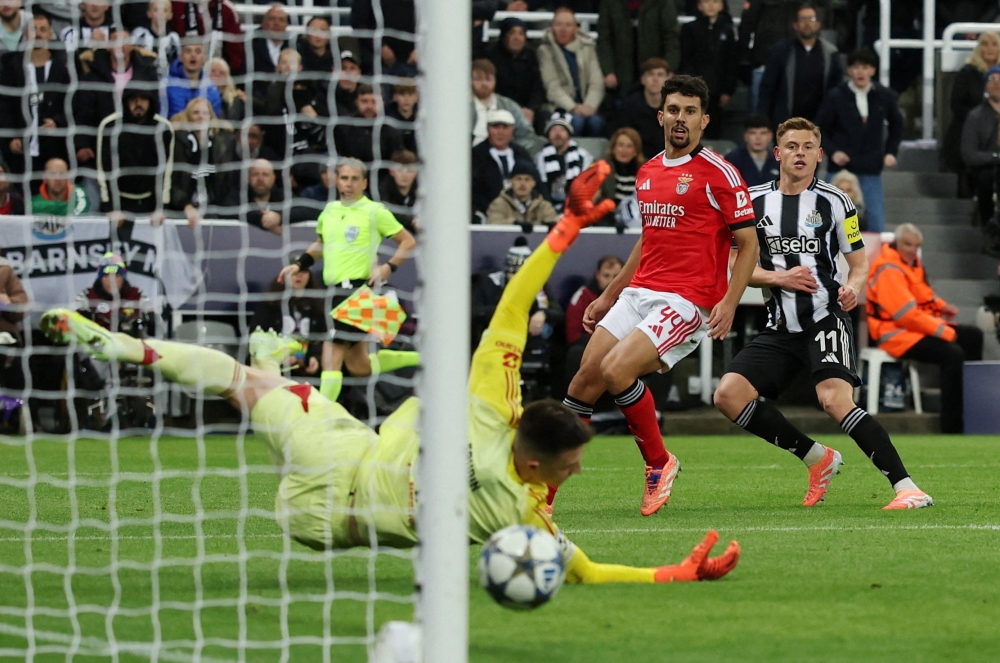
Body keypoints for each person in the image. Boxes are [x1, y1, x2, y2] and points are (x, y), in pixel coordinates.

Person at [39, 164, 741, 584]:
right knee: (307, 371)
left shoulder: (492, 402)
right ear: (535, 465)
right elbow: (585, 571)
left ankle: (150, 349)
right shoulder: (518, 513)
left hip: (334, 465)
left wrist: (565, 229)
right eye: (570, 464)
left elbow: (513, 302)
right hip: (327, 511)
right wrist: (672, 573)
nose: (578, 470)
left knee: (243, 380)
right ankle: (250, 363)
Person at [712, 116, 933, 511]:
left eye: (808, 147)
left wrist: (853, 288)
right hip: (780, 325)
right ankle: (817, 458)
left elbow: (859, 265)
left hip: (824, 316)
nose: (800, 153)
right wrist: (779, 278)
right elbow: (734, 265)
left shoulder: (836, 201)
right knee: (728, 395)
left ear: (819, 155)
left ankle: (907, 488)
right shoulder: (753, 200)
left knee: (833, 399)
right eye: (792, 146)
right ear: (777, 153)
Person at [562, 75, 759, 516]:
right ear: (661, 116)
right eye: (673, 110)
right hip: (639, 292)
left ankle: (659, 462)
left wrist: (729, 301)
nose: (681, 118)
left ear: (704, 120)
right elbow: (648, 239)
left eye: (690, 111)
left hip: (686, 301)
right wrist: (610, 294)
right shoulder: (648, 171)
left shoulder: (720, 173)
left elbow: (749, 244)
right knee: (583, 383)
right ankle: (545, 496)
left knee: (616, 370)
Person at [277, 158, 418, 404]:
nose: (349, 184)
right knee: (358, 366)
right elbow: (321, 244)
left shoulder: (374, 211)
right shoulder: (330, 211)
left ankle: (321, 414)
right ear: (337, 181)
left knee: (331, 354)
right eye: (344, 178)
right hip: (334, 291)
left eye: (354, 179)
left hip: (356, 290)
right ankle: (422, 357)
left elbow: (408, 241)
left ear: (364, 182)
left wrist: (388, 267)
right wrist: (299, 264)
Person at [866, 223, 984, 434]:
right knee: (952, 354)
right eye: (908, 244)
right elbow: (906, 315)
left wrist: (942, 307)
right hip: (894, 335)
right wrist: (943, 331)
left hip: (914, 329)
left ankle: (974, 411)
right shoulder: (888, 269)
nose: (913, 250)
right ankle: (952, 425)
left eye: (917, 246)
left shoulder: (911, 264)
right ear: (896, 243)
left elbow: (924, 294)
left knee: (974, 336)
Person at [815, 49, 902, 233]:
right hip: (840, 169)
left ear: (873, 70)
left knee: (876, 223)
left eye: (865, 67)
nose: (860, 72)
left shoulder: (884, 95)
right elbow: (818, 129)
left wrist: (891, 152)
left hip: (870, 168)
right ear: (849, 70)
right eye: (855, 67)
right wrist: (833, 152)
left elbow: (897, 125)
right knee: (826, 222)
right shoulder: (835, 96)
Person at [73, 27, 159, 177]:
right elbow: (84, 112)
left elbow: (153, 108)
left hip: (139, 144)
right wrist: (82, 144)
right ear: (108, 46)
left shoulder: (147, 73)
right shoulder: (92, 76)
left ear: (132, 46)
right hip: (102, 145)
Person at [0, 11, 71, 184]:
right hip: (19, 150)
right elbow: (5, 105)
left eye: (43, 29)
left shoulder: (62, 70)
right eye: (33, 29)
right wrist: (11, 137)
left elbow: (71, 104)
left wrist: (57, 122)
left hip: (52, 149)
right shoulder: (12, 67)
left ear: (50, 34)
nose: (38, 33)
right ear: (26, 34)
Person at [96, 82, 175, 236]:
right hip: (117, 204)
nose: (138, 104)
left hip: (151, 205)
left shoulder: (163, 128)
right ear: (126, 101)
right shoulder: (110, 125)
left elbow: (166, 171)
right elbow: (103, 168)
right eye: (133, 99)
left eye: (143, 99)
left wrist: (161, 208)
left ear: (151, 101)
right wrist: (109, 207)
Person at [757, 3, 844, 127]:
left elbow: (837, 90)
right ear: (795, 25)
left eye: (811, 19)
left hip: (819, 124)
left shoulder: (830, 53)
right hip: (786, 123)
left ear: (818, 24)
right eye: (802, 19)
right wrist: (764, 120)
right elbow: (767, 88)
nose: (807, 23)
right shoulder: (781, 51)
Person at [249, 264, 327, 380]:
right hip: (274, 368)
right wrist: (278, 357)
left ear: (309, 276)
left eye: (303, 272)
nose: (299, 276)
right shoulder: (270, 304)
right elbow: (257, 337)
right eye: (293, 272)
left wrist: (315, 358)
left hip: (305, 370)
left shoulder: (318, 306)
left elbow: (322, 338)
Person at [537, 7, 606, 137]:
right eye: (558, 24)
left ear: (575, 28)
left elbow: (596, 82)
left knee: (596, 123)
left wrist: (589, 106)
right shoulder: (545, 50)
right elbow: (552, 86)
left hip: (587, 106)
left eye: (568, 25)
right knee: (577, 122)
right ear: (552, 27)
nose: (563, 29)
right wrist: (573, 107)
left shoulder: (588, 48)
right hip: (559, 107)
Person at [169, 97, 237, 224]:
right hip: (183, 209)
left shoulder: (221, 145)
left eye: (205, 113)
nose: (200, 117)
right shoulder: (178, 143)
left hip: (214, 207)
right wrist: (186, 206)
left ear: (210, 117)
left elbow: (226, 183)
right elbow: (174, 182)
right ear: (188, 117)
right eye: (195, 113)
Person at [943, 31, 999, 183]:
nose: (990, 49)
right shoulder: (967, 72)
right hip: (971, 127)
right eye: (985, 44)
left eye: (994, 44)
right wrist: (980, 120)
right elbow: (957, 105)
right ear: (979, 48)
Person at [596, 0, 680, 99]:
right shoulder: (609, 3)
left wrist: (669, 69)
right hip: (620, 74)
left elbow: (672, 39)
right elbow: (604, 40)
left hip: (654, 69)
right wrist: (608, 71)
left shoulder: (663, 3)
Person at [678, 0, 737, 140]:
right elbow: (686, 59)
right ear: (699, 5)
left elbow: (731, 61)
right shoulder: (689, 29)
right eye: (706, 1)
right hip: (694, 90)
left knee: (713, 129)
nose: (710, 5)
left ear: (721, 5)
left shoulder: (727, 30)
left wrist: (728, 90)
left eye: (715, 1)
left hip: (717, 91)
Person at [737, 0, 803, 113]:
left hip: (790, 61)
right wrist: (745, 59)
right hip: (764, 61)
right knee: (760, 110)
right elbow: (746, 28)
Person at [961, 64, 1000, 248]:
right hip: (987, 171)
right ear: (985, 86)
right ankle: (989, 231)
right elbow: (969, 155)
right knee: (986, 179)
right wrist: (996, 157)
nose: (996, 83)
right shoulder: (975, 117)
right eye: (992, 79)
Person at [472, 109, 534, 217]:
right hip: (487, 213)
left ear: (512, 130)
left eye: (505, 127)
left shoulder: (522, 154)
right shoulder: (476, 155)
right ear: (488, 129)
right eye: (495, 127)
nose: (500, 132)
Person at [487, 17, 545, 127]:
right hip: (500, 106)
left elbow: (537, 87)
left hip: (527, 108)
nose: (517, 38)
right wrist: (515, 109)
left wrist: (531, 108)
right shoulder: (491, 55)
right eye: (512, 33)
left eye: (521, 34)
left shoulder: (531, 56)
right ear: (504, 35)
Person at [470, 58, 538, 151]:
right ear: (470, 80)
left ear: (495, 81)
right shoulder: (461, 107)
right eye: (478, 79)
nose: (484, 84)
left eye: (488, 79)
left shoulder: (509, 106)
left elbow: (526, 134)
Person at [535, 111, 593, 213]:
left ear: (569, 134)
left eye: (562, 130)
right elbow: (543, 186)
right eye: (553, 130)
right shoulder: (541, 157)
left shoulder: (582, 155)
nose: (557, 134)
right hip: (549, 206)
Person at [614, 58, 671, 158]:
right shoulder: (629, 106)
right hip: (637, 160)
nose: (655, 79)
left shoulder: (676, 108)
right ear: (642, 79)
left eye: (660, 75)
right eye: (650, 74)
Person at [169, 0, 244, 75]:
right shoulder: (177, 6)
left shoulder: (225, 9)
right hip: (181, 75)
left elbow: (235, 55)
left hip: (218, 75)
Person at [595, 127, 644, 226]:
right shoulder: (600, 167)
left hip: (636, 219)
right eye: (621, 145)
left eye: (629, 146)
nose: (624, 150)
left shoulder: (646, 171)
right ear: (613, 148)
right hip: (606, 218)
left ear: (636, 151)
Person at [486, 160, 558, 226]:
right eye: (518, 179)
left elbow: (554, 223)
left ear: (534, 183)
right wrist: (515, 223)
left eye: (527, 179)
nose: (522, 184)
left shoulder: (544, 206)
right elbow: (493, 223)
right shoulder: (499, 204)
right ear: (511, 181)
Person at [166, 40, 223, 118]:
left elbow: (214, 121)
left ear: (204, 57)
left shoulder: (212, 89)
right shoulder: (167, 86)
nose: (193, 55)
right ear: (180, 56)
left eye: (198, 51)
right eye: (188, 51)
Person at [725, 115, 780, 187]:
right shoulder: (733, 159)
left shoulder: (778, 160)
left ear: (771, 136)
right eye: (753, 133)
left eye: (763, 133)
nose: (758, 138)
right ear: (745, 136)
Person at [250, 4, 289, 103]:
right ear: (263, 23)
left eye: (281, 20)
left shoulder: (294, 45)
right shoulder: (251, 44)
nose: (276, 23)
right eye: (272, 19)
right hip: (256, 98)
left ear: (286, 25)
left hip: (287, 98)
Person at [130, 0, 181, 70]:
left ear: (170, 15)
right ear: (149, 13)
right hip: (143, 74)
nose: (160, 14)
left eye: (165, 10)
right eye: (156, 10)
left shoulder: (174, 38)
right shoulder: (139, 34)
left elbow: (178, 61)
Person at [378, 150, 419, 233]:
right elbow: (388, 212)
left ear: (416, 172)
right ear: (391, 171)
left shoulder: (421, 189)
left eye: (410, 170)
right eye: (400, 170)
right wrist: (411, 220)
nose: (404, 175)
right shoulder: (384, 188)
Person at [208, 57, 246, 122]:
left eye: (222, 73)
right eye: (213, 71)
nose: (217, 75)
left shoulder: (234, 100)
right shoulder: (197, 95)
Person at [386, 80, 418, 156]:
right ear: (395, 97)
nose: (406, 99)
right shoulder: (387, 118)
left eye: (410, 95)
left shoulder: (422, 117)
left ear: (416, 97)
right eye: (402, 95)